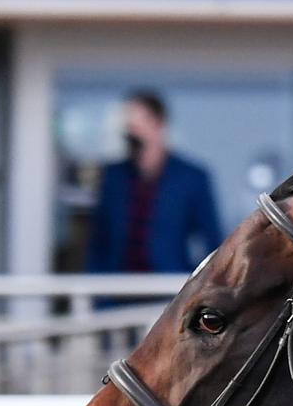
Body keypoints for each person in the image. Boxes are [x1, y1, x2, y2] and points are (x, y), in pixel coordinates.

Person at [86, 89, 223, 274]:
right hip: (116, 290)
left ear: (158, 123)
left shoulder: (191, 177)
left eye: (137, 125)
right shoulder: (113, 177)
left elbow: (212, 241)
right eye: (128, 126)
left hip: (168, 288)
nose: (131, 133)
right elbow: (99, 242)